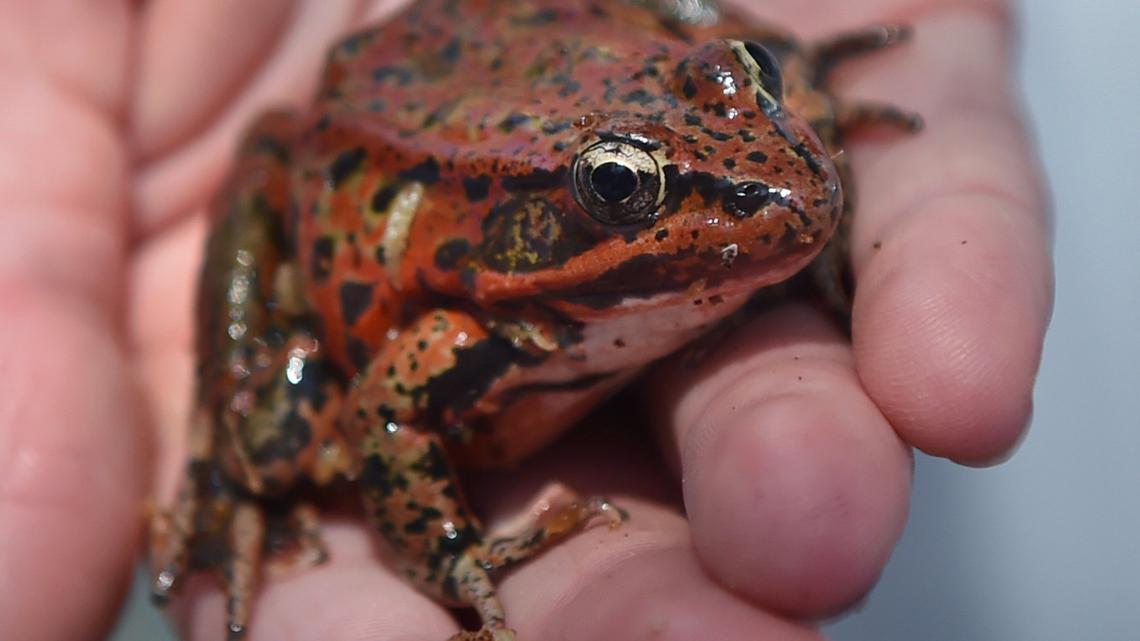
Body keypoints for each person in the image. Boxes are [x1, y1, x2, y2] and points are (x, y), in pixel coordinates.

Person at [0, 0, 1051, 639]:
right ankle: (222, 461)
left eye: (758, 90)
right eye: (623, 188)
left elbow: (704, 61)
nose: (776, 183)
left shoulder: (736, 136)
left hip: (516, 45)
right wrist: (454, 553)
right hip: (384, 141)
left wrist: (774, 71)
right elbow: (389, 411)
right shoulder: (466, 329)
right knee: (273, 436)